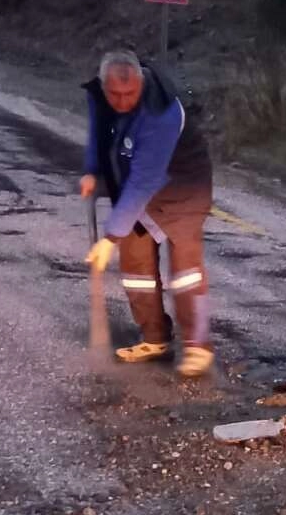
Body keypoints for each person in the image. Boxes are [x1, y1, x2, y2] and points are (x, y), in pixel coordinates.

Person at [81, 50, 215, 378]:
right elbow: (99, 133)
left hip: (183, 186)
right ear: (104, 86)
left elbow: (145, 180)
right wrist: (92, 171)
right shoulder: (100, 96)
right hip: (137, 181)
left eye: (129, 94)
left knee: (186, 271)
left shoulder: (161, 114)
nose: (122, 101)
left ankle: (197, 346)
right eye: (115, 94)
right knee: (135, 266)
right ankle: (154, 338)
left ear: (141, 83)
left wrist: (109, 238)